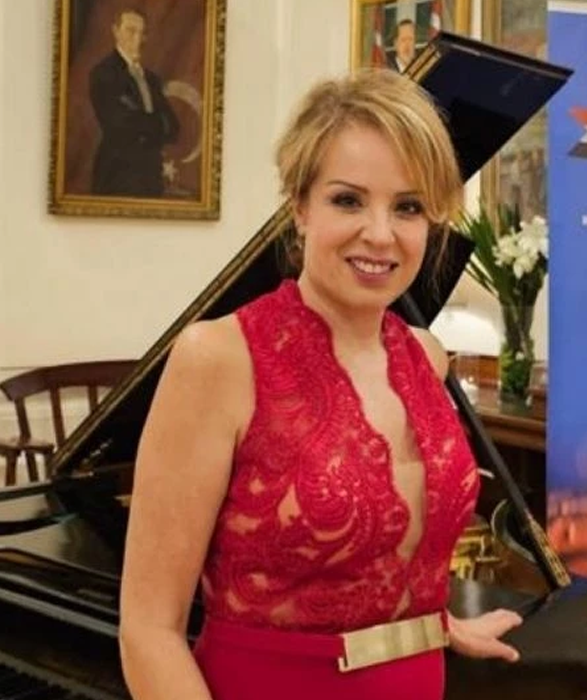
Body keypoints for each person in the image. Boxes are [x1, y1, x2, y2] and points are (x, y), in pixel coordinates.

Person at [117, 69, 523, 700]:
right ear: (300, 206)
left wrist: (433, 624)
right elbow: (148, 630)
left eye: (408, 207)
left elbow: (387, 558)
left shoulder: (426, 357)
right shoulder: (218, 359)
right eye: (348, 200)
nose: (380, 233)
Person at [89, 8, 180, 197]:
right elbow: (118, 125)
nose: (137, 38)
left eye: (142, 33)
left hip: (151, 175)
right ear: (116, 31)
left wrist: (142, 121)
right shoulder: (103, 73)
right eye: (131, 31)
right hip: (117, 173)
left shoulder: (152, 79)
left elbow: (173, 128)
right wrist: (156, 123)